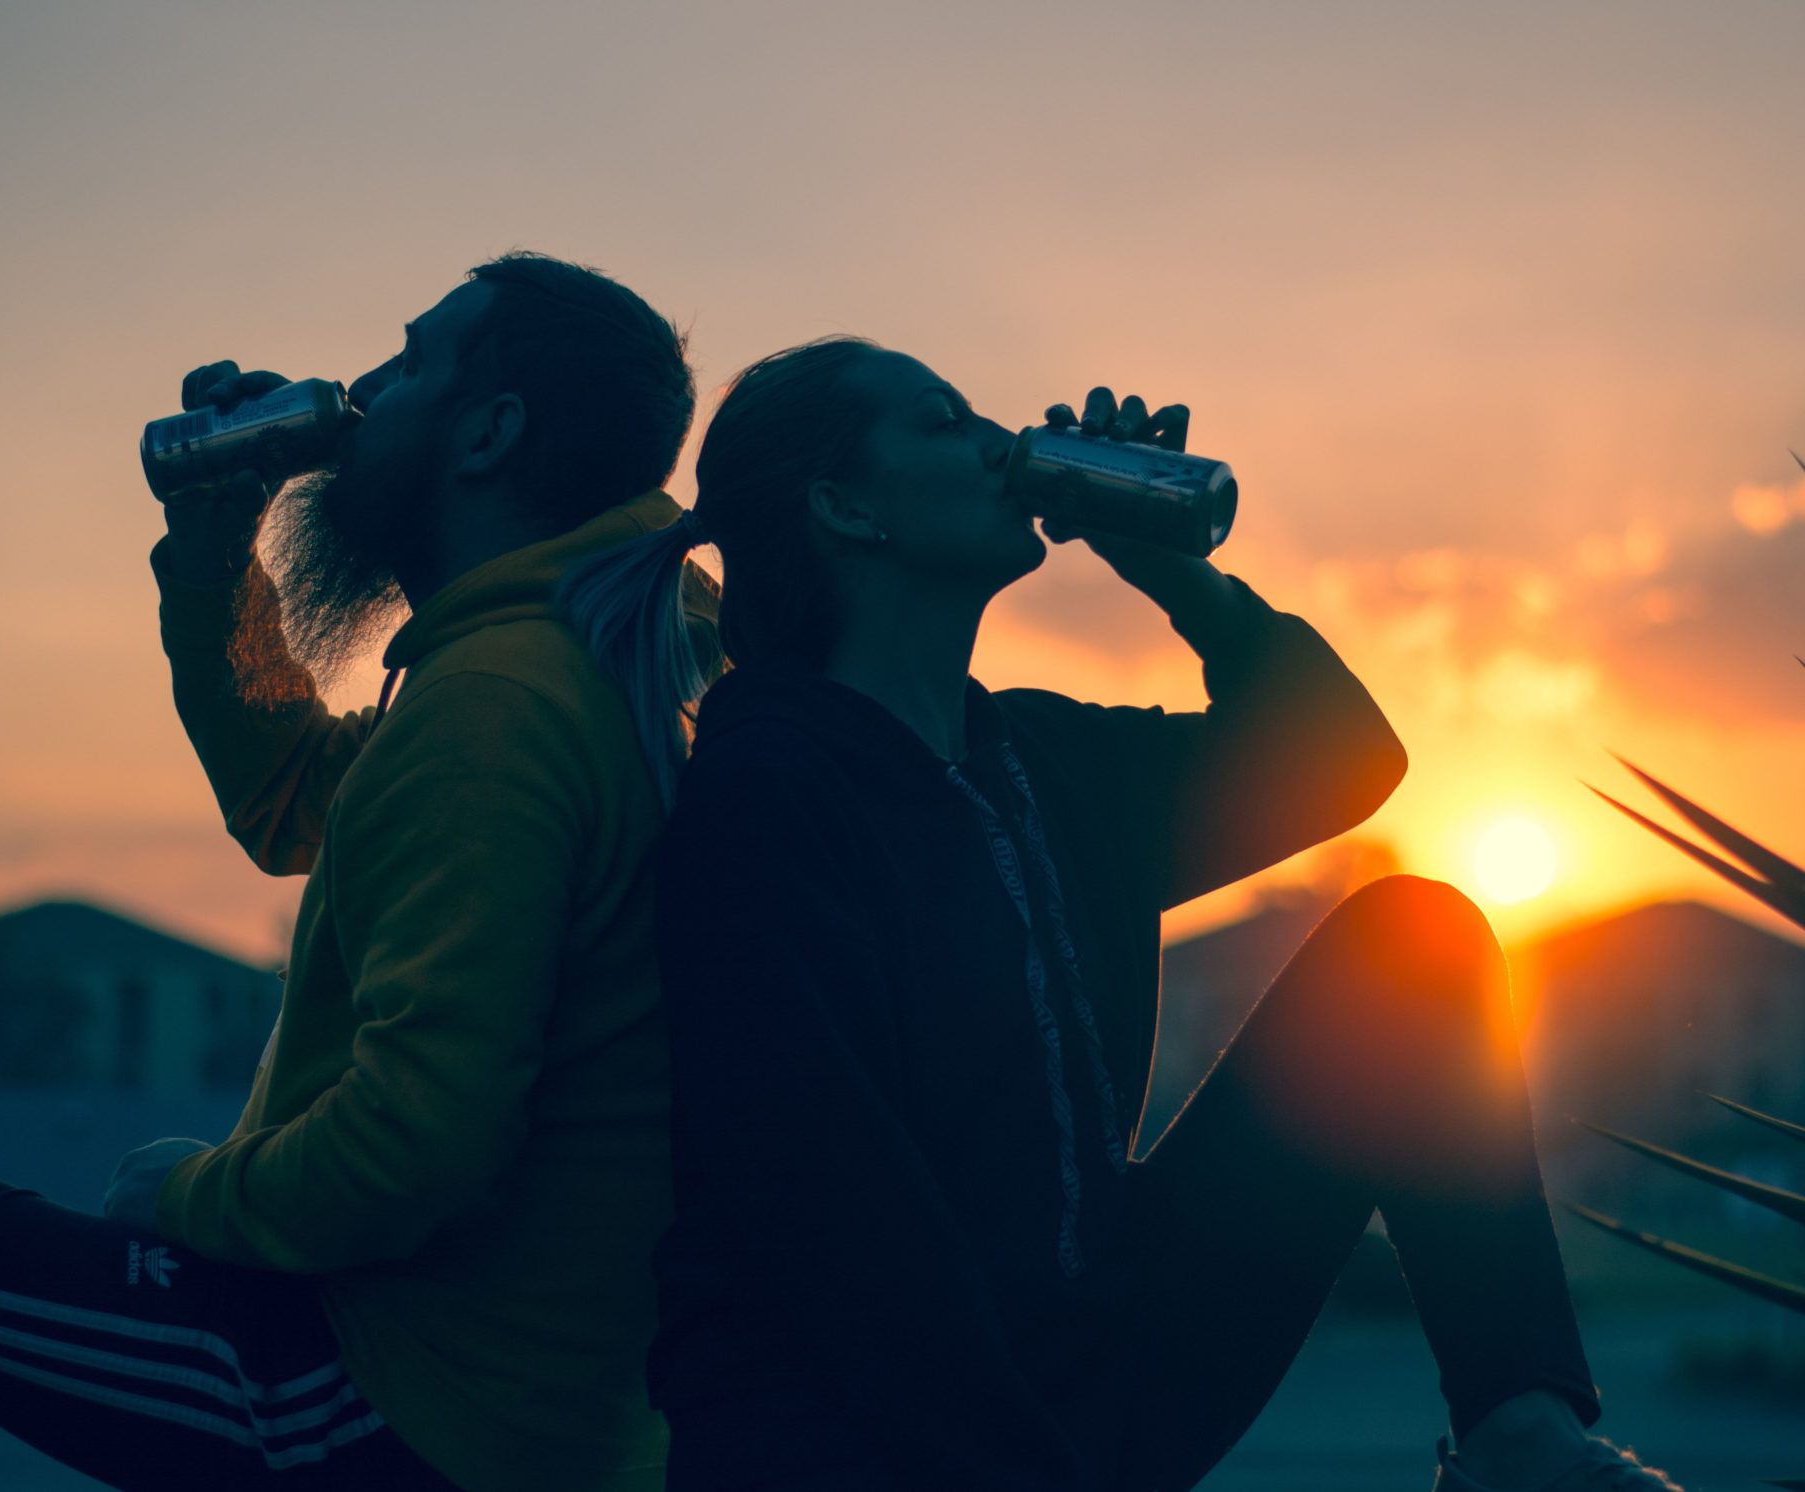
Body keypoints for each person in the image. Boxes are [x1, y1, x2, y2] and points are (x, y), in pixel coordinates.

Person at [559, 337, 1682, 1491]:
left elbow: (1342, 755)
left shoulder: (1037, 760)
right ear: (845, 506)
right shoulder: (766, 793)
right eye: (947, 422)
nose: (1002, 443)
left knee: (1412, 944)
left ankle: (1517, 1441)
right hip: (871, 1436)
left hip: (1101, 1355)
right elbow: (835, 1221)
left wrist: (1169, 568)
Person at [0, 252, 719, 1491]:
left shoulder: (499, 704)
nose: (364, 388)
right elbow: (293, 800)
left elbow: (413, 1150)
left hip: (398, 1404)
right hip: (540, 1405)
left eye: (411, 359)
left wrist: (187, 1197)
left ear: (488, 432)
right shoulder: (589, 659)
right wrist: (217, 550)